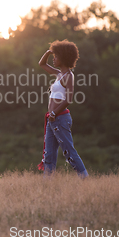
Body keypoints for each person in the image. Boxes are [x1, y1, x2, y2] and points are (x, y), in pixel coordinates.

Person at [38, 39, 89, 179]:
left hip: (60, 118)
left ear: (65, 58)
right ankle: (47, 182)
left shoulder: (68, 77)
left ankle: (84, 178)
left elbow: (69, 99)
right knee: (48, 153)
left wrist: (54, 113)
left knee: (68, 151)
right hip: (52, 119)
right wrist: (49, 51)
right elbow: (42, 64)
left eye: (57, 56)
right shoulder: (59, 74)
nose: (54, 59)